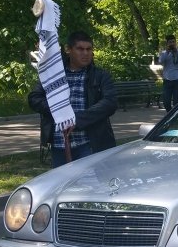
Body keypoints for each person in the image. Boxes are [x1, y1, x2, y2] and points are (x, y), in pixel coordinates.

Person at [29, 31, 118, 167]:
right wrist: (60, 113)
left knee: (89, 185)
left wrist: (76, 119)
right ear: (69, 50)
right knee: (61, 186)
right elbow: (34, 98)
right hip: (60, 144)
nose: (85, 53)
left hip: (90, 144)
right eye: (80, 49)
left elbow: (110, 102)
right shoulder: (54, 75)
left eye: (89, 49)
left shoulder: (100, 76)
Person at [158, 34, 178, 110]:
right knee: (166, 102)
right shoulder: (164, 53)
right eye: (170, 42)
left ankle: (174, 118)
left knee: (176, 103)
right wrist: (167, 52)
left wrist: (176, 52)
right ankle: (170, 116)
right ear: (167, 44)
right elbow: (160, 61)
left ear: (175, 43)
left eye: (173, 42)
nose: (172, 44)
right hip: (167, 80)